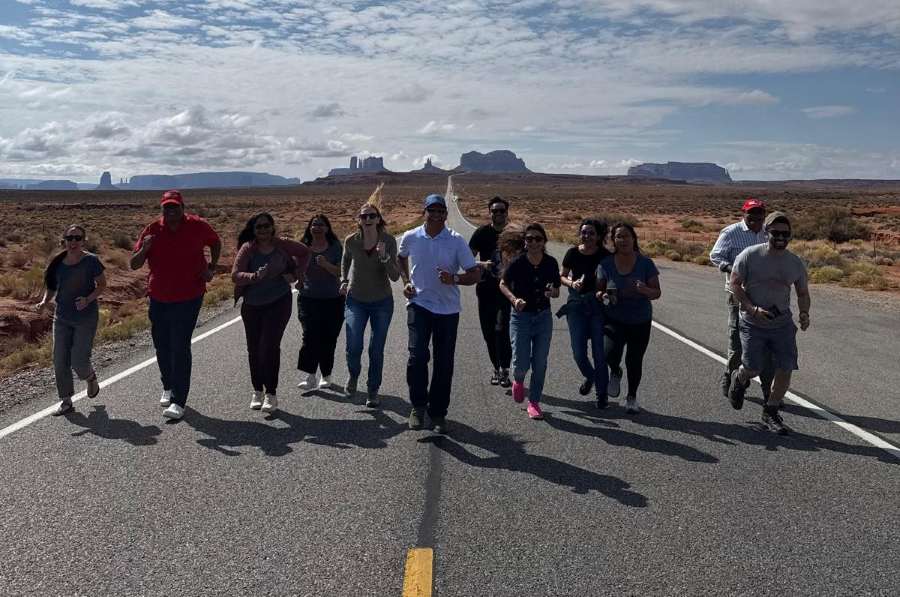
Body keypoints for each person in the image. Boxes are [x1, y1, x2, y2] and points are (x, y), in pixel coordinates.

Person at [131, 190, 221, 420]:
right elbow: (134, 264)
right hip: (159, 296)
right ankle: (168, 385)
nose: (171, 211)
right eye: (167, 207)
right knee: (162, 344)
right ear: (162, 209)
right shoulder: (152, 229)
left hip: (190, 295)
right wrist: (145, 248)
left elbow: (215, 242)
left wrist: (212, 267)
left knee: (180, 345)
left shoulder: (197, 225)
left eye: (175, 207)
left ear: (183, 207)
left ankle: (178, 401)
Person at [399, 193, 480, 433]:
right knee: (417, 356)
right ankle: (418, 406)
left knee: (444, 363)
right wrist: (406, 281)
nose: (436, 215)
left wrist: (454, 278)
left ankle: (438, 413)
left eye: (440, 211)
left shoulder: (456, 241)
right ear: (423, 212)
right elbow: (401, 257)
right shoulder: (411, 236)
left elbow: (474, 274)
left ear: (445, 214)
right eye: (431, 210)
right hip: (419, 304)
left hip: (448, 310)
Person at [728, 212, 811, 434]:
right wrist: (752, 309)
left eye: (785, 234)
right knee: (753, 368)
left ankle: (771, 410)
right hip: (752, 322)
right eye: (776, 233)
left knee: (786, 367)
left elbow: (802, 292)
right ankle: (740, 377)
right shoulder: (750, 255)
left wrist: (804, 313)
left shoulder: (794, 263)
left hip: (782, 323)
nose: (781, 238)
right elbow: (735, 285)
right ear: (767, 233)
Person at [232, 212, 310, 414]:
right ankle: (257, 390)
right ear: (253, 230)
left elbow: (304, 253)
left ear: (272, 227)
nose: (263, 230)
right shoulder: (248, 248)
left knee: (269, 347)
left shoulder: (283, 245)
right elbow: (236, 275)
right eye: (259, 227)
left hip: (278, 302)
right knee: (254, 349)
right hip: (252, 305)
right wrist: (254, 276)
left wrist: (297, 275)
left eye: (266, 226)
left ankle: (271, 393)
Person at [35, 225, 106, 416]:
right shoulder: (57, 262)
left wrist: (87, 299)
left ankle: (90, 378)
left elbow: (102, 285)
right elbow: (52, 287)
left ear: (83, 241)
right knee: (59, 359)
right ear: (64, 241)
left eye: (77, 238)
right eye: (70, 238)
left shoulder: (91, 261)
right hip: (62, 317)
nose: (73, 242)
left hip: (85, 317)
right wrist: (44, 302)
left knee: (79, 360)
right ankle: (66, 401)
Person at [709, 198, 773, 399]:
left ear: (764, 215)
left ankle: (768, 391)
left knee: (767, 343)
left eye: (759, 214)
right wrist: (734, 270)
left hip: (765, 295)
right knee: (737, 339)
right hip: (737, 294)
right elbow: (715, 256)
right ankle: (730, 375)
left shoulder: (768, 233)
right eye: (751, 213)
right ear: (743, 214)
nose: (755, 217)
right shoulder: (731, 232)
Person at [595, 223, 661, 414]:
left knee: (634, 360)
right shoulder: (606, 264)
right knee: (609, 354)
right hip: (614, 318)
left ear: (633, 238)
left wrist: (645, 290)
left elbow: (657, 292)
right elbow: (598, 291)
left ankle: (631, 397)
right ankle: (615, 371)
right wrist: (603, 296)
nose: (623, 240)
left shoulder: (645, 263)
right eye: (619, 237)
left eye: (626, 236)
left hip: (640, 320)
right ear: (613, 240)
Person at [340, 202, 400, 407]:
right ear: (359, 220)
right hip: (355, 300)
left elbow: (395, 276)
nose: (368, 219)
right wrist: (343, 280)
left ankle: (373, 389)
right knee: (353, 345)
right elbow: (346, 260)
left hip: (382, 302)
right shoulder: (351, 240)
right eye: (364, 216)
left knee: (376, 349)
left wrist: (384, 257)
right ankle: (353, 374)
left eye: (372, 216)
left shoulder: (388, 241)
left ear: (378, 219)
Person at [499, 223, 561, 420]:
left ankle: (534, 402)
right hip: (521, 318)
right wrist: (514, 299)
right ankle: (518, 380)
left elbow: (557, 290)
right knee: (521, 363)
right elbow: (503, 283)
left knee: (540, 362)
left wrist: (553, 292)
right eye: (529, 239)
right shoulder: (517, 262)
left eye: (538, 239)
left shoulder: (551, 263)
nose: (534, 242)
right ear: (524, 242)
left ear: (544, 242)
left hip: (543, 317)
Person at [560, 218, 612, 408]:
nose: (587, 236)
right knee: (578, 353)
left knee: (599, 352)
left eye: (591, 233)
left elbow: (612, 279)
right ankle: (591, 377)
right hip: (576, 305)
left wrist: (605, 292)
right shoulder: (572, 253)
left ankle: (602, 394)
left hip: (597, 306)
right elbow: (562, 276)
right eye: (584, 232)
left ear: (598, 236)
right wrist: (571, 283)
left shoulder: (605, 256)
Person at [468, 196, 512, 387]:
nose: (498, 214)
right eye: (495, 211)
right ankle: (496, 367)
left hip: (508, 290)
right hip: (485, 289)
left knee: (502, 330)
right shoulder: (481, 233)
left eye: (502, 210)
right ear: (489, 213)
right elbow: (467, 258)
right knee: (488, 333)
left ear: (507, 212)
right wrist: (481, 264)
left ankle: (505, 370)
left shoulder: (513, 234)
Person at [297, 214, 343, 392]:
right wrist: (298, 279)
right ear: (309, 228)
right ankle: (310, 376)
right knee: (310, 335)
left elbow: (339, 271)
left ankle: (326, 375)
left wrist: (325, 264)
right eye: (314, 224)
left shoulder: (335, 246)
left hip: (333, 299)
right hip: (308, 299)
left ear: (327, 228)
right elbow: (295, 268)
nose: (317, 227)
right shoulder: (303, 247)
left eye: (321, 225)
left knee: (328, 338)